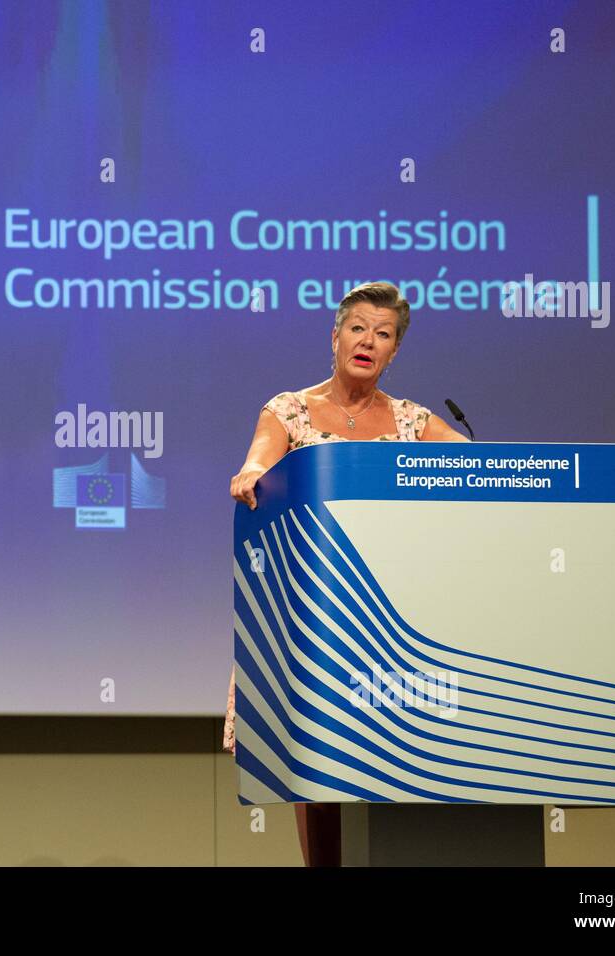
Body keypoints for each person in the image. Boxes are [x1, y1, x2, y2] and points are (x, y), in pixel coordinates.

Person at [225, 281, 469, 866]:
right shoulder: (290, 409)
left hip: (401, 624)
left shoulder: (414, 422)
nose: (368, 341)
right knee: (320, 767)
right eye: (358, 328)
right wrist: (252, 472)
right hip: (316, 621)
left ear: (393, 353)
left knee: (403, 762)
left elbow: (479, 468)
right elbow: (261, 455)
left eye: (383, 334)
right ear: (335, 337)